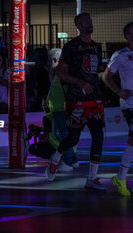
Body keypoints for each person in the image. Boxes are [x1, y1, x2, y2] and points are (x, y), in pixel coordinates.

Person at [45, 13, 106, 191]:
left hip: (94, 99)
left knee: (98, 136)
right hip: (76, 99)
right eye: (87, 20)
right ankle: (55, 159)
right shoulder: (71, 47)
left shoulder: (96, 47)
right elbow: (60, 72)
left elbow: (95, 72)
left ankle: (92, 178)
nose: (90, 22)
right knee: (72, 138)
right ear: (79, 24)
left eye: (91, 20)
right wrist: (80, 82)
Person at [103, 22, 133, 196]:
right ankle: (121, 177)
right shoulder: (120, 55)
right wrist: (118, 91)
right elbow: (107, 76)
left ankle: (120, 177)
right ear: (127, 36)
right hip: (129, 103)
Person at [47, 48, 78, 172]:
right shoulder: (59, 74)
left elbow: (66, 91)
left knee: (64, 135)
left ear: (55, 60)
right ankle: (73, 160)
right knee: (66, 135)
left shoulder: (62, 74)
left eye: (50, 61)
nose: (49, 63)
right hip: (58, 107)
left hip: (61, 108)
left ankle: (68, 162)